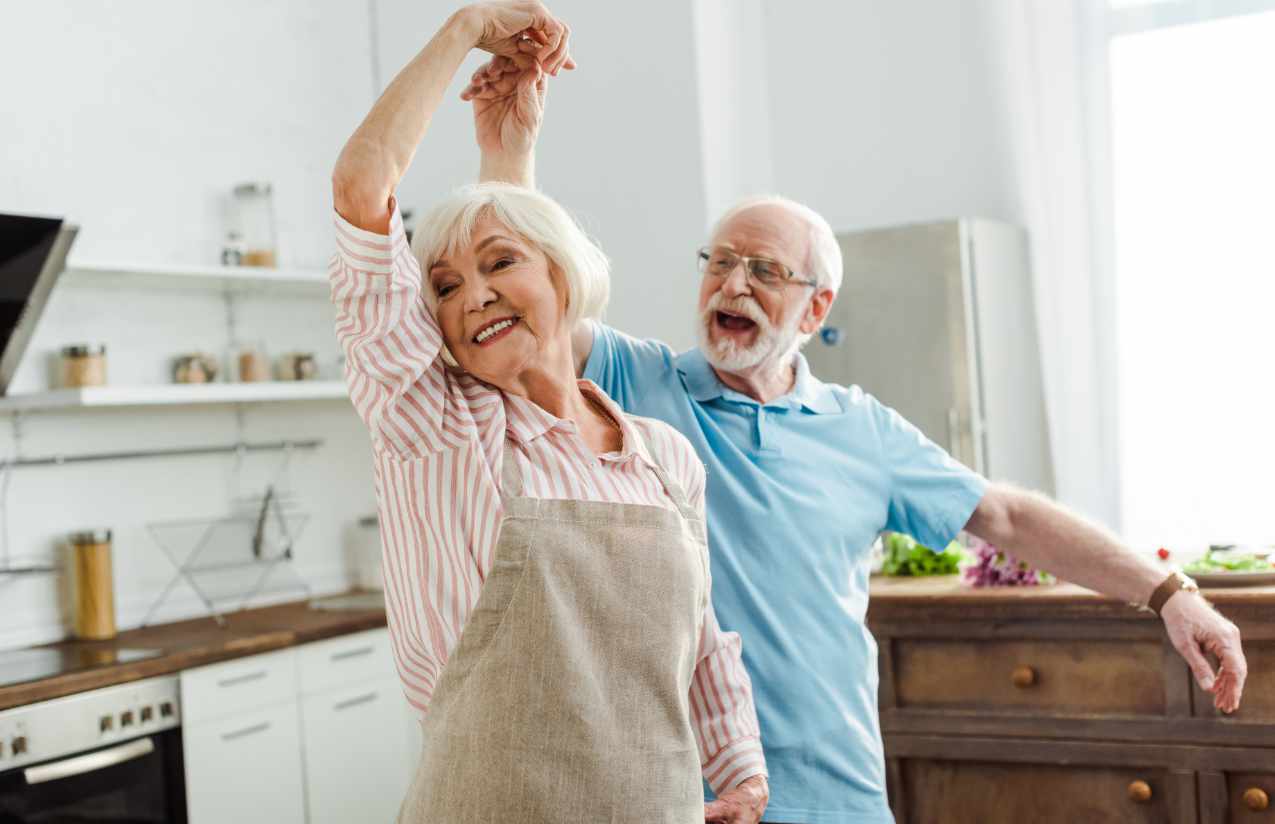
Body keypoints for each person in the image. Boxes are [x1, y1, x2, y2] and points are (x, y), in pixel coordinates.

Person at [461, 52, 1249, 823]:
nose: (732, 284)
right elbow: (527, 306)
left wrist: (1170, 594)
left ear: (814, 309)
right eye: (720, 262)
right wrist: (508, 148)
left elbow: (1004, 517)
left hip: (838, 790)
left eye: (763, 270)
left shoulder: (860, 427)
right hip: (682, 792)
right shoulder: (634, 381)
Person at [329, 4, 769, 822]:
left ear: (567, 277)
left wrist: (738, 771)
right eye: (445, 288)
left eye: (500, 265)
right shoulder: (437, 426)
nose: (474, 294)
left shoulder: (664, 459)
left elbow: (700, 642)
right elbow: (363, 188)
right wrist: (464, 29)